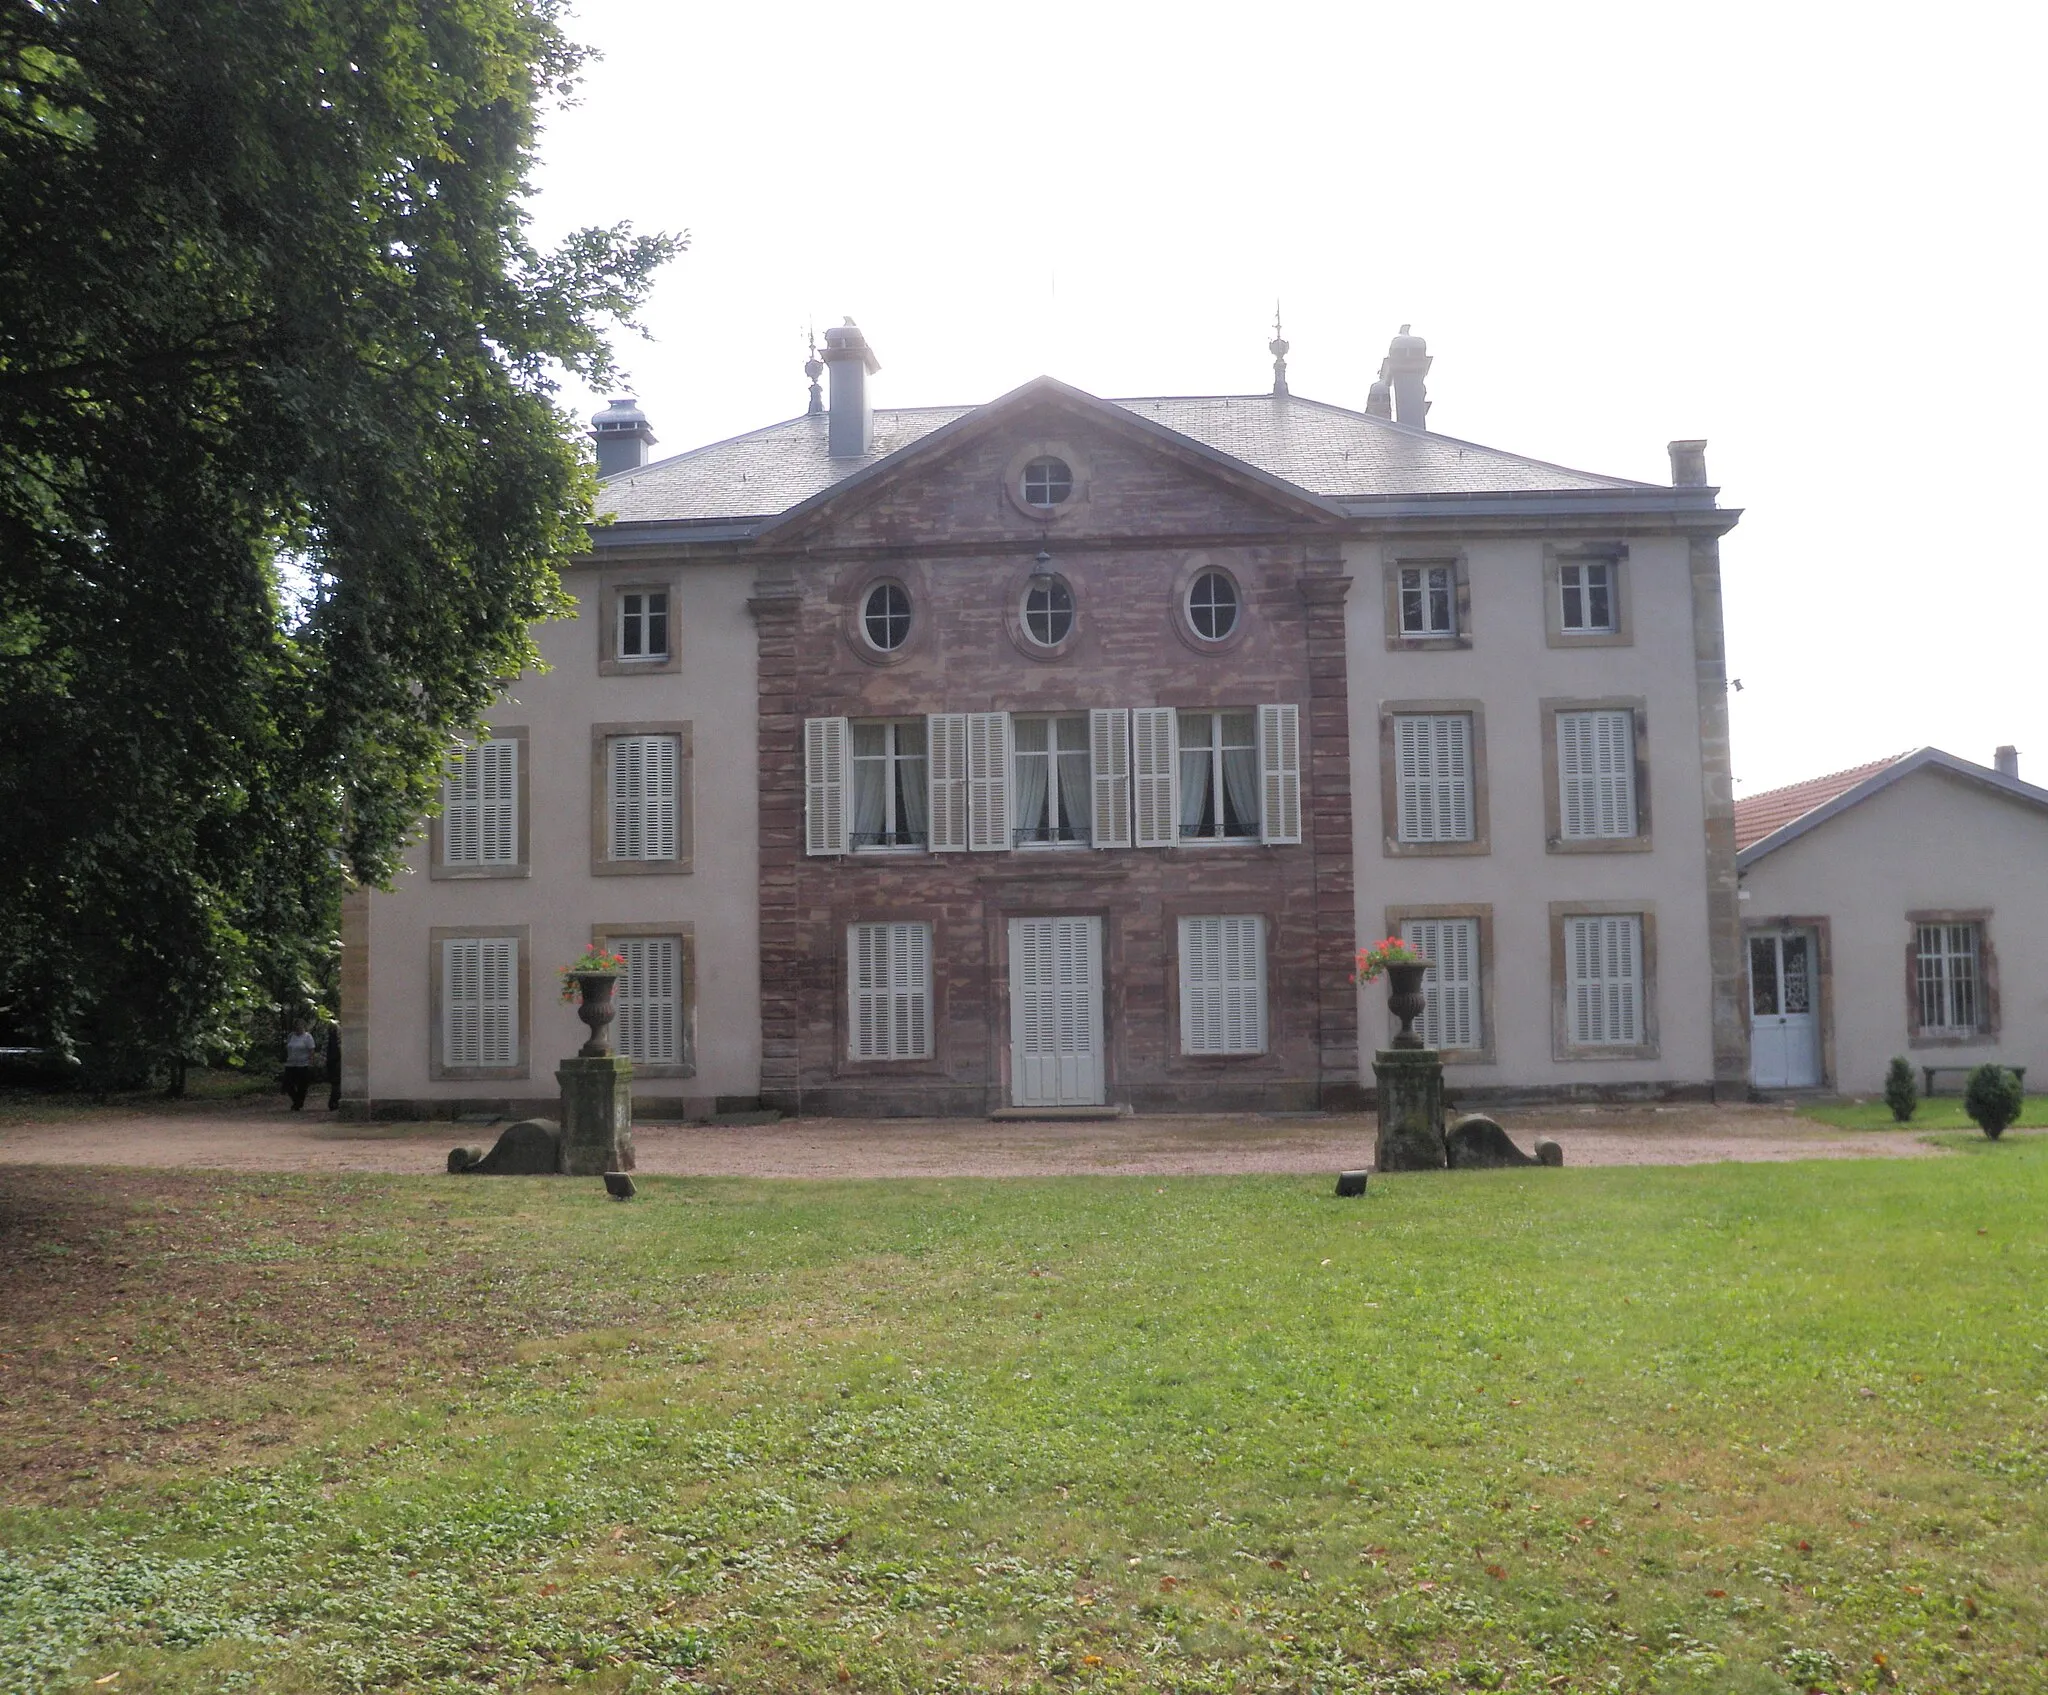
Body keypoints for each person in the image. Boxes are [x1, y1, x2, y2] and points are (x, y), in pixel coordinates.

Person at [282, 1020, 316, 1111]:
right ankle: (296, 1100)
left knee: (302, 1085)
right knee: (288, 1083)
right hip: (291, 1063)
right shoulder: (291, 1036)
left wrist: (311, 1062)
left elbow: (311, 1050)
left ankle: (298, 1103)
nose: (298, 1028)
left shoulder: (307, 1037)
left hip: (303, 1064)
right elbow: (287, 1048)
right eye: (297, 1026)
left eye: (300, 1026)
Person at [325, 1022, 342, 1111]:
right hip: (334, 1060)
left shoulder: (330, 1037)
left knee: (335, 1083)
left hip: (333, 1060)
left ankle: (333, 1102)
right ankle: (334, 1102)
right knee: (336, 1083)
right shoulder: (331, 1037)